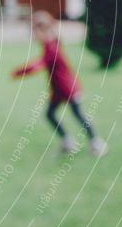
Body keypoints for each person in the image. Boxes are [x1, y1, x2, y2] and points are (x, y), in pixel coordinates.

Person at [12, 11, 107, 156]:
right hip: (58, 90)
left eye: (34, 32)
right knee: (50, 114)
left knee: (78, 115)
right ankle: (67, 141)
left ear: (43, 30)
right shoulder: (50, 44)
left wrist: (19, 72)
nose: (33, 36)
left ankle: (96, 142)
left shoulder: (52, 47)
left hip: (68, 89)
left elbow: (37, 65)